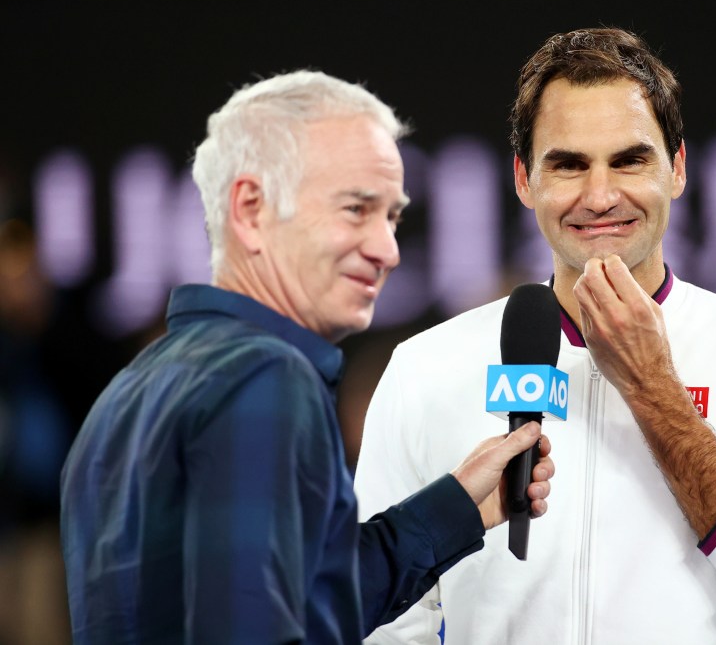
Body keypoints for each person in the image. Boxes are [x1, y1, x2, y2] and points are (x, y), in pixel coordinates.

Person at [354, 27, 716, 644]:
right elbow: (383, 627)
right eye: (568, 165)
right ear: (524, 180)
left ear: (676, 169)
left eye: (629, 159)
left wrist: (654, 388)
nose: (600, 195)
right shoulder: (424, 366)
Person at [58, 69, 555, 645]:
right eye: (355, 209)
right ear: (249, 209)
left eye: (392, 216)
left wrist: (457, 507)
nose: (387, 249)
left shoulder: (128, 391)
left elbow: (302, 603)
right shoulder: (266, 377)